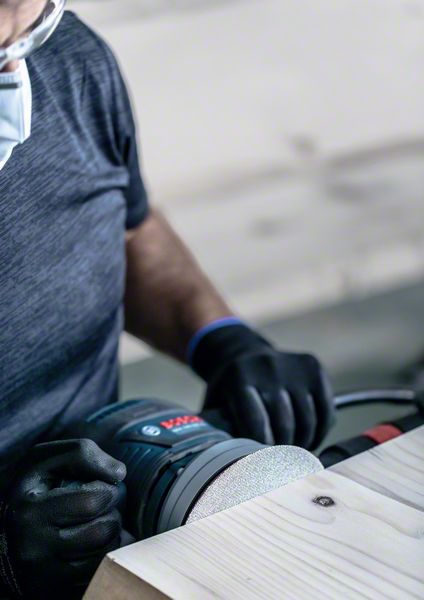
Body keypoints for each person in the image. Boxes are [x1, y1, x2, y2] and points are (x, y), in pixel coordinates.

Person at [0, 1, 335, 597]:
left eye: (27, 22)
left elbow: (126, 227)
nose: (15, 62)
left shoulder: (67, 54)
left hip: (94, 507)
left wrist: (220, 337)